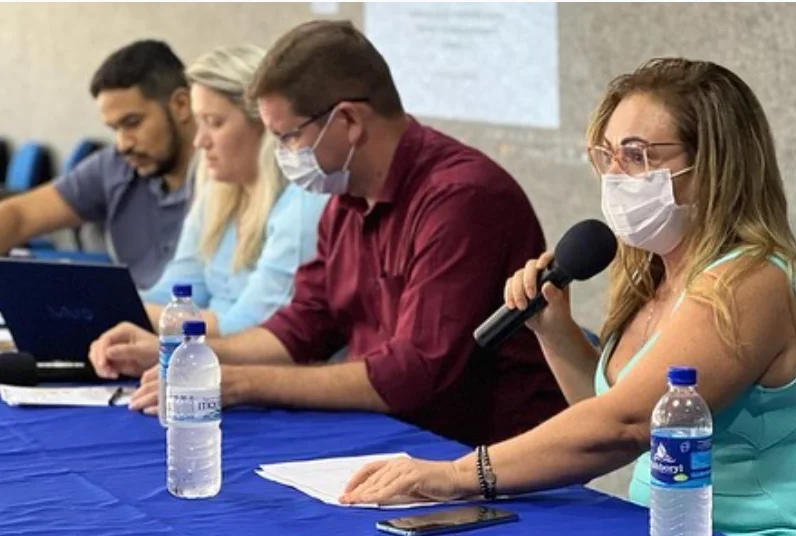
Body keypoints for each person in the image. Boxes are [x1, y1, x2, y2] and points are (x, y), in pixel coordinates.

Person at [339, 58, 796, 536]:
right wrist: (554, 330)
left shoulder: (751, 282)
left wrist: (458, 475)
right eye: (607, 155)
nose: (615, 174)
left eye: (636, 155)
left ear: (715, 166)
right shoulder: (657, 276)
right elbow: (613, 412)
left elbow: (624, 427)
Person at [88, 20, 567, 447]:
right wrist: (193, 356)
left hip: (488, 460)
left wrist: (241, 383)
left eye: (287, 137)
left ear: (349, 121)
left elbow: (412, 374)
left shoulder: (461, 198)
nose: (279, 153)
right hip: (392, 439)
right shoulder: (347, 197)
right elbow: (301, 326)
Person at [138, 45, 327, 338]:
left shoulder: (305, 203)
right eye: (198, 122)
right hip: (208, 361)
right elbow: (174, 294)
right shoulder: (218, 192)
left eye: (214, 123)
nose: (199, 141)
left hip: (260, 370)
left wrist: (130, 313)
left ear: (264, 124)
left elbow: (249, 329)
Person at [0, 40, 197, 289]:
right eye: (115, 129)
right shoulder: (116, 166)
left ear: (181, 104)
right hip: (133, 320)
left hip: (195, 323)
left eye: (133, 122)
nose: (123, 143)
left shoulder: (227, 174)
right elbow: (20, 215)